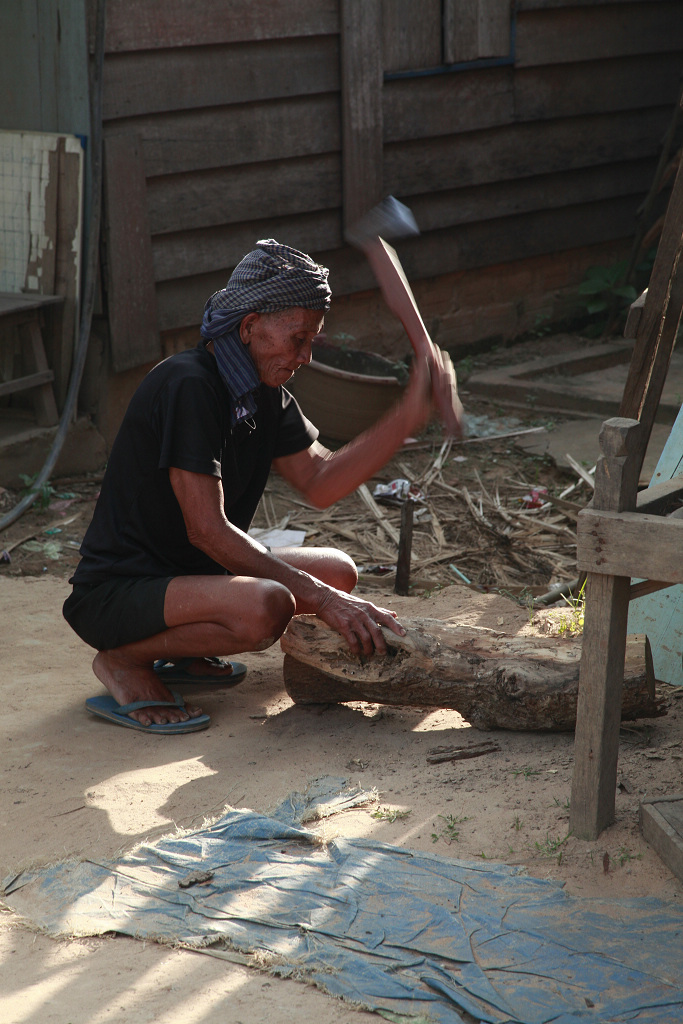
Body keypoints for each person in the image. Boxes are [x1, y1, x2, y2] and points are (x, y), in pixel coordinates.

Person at [63, 239, 459, 733]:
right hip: (119, 593)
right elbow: (208, 532)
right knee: (267, 608)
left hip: (190, 578)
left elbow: (320, 481)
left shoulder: (263, 394)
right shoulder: (190, 385)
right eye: (298, 339)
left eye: (312, 340)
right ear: (250, 327)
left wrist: (408, 414)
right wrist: (324, 603)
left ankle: (186, 655)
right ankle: (122, 660)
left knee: (339, 572)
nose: (306, 356)